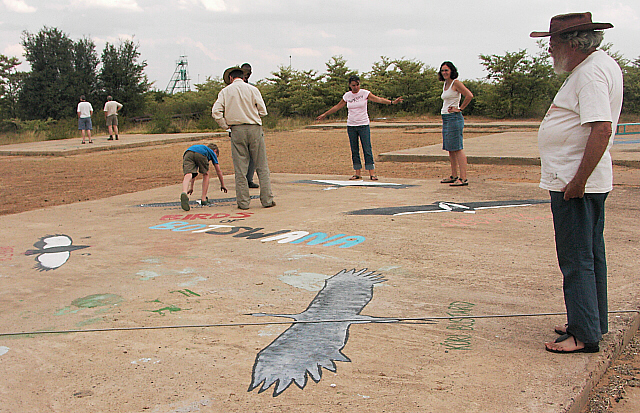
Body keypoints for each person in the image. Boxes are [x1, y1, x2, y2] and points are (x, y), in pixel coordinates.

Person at [530, 12, 622, 354]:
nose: (549, 49)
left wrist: (578, 181)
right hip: (580, 179)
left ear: (573, 43)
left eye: (553, 42)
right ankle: (591, 320)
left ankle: (583, 334)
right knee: (590, 254)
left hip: (576, 182)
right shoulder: (595, 66)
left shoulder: (591, 73)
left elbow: (601, 128)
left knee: (576, 257)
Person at [212, 66, 275, 210]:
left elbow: (216, 112)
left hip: (237, 130)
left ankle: (243, 202)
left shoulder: (225, 91)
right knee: (262, 166)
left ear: (230, 78)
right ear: (243, 77)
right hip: (254, 128)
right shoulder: (253, 89)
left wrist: (226, 125)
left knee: (240, 169)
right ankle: (267, 200)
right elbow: (263, 111)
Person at [316, 75, 402, 180]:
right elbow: (337, 106)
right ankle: (357, 172)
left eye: (357, 85)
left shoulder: (365, 93)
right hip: (351, 125)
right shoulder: (347, 96)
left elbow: (378, 99)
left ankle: (372, 173)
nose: (356, 87)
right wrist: (325, 114)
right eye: (353, 85)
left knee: (367, 148)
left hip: (363, 124)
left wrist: (392, 102)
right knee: (354, 149)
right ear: (349, 85)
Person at [438, 61, 473, 187]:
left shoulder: (456, 83)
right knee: (450, 148)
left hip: (454, 118)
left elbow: (469, 95)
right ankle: (453, 175)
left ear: (452, 71)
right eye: (442, 70)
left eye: (446, 70)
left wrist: (459, 108)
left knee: (457, 148)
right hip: (446, 118)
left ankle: (463, 178)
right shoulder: (445, 84)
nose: (444, 72)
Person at [180, 143, 227, 211]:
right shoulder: (211, 152)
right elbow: (218, 171)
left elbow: (194, 173)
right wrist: (222, 184)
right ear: (215, 151)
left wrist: (191, 187)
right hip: (201, 154)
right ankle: (203, 199)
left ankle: (184, 192)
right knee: (206, 174)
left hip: (188, 153)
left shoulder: (200, 148)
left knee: (188, 173)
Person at [241, 62, 258, 189]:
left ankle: (248, 179)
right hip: (238, 125)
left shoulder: (252, 88)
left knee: (252, 154)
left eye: (249, 73)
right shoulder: (232, 88)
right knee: (241, 155)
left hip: (251, 124)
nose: (247, 75)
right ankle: (242, 180)